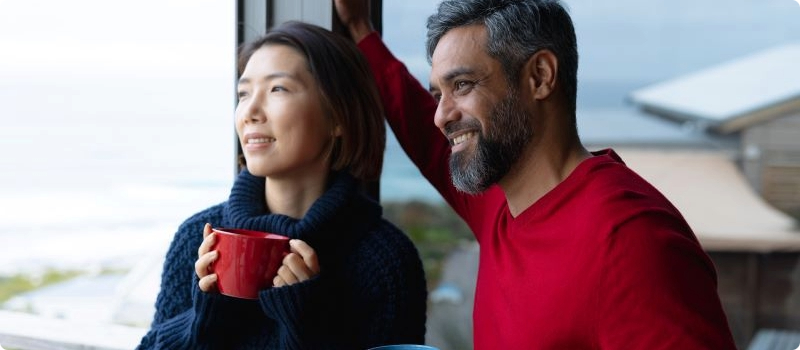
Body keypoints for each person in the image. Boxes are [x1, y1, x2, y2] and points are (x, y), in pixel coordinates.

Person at [335, 0, 737, 349]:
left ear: (540, 76)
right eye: (439, 94)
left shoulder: (631, 242)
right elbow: (421, 127)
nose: (442, 116)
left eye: (462, 84)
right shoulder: (497, 197)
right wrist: (358, 28)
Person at [136, 21, 427, 349]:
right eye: (243, 93)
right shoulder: (198, 239)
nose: (250, 112)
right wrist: (202, 321)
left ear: (338, 117)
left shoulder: (384, 260)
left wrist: (307, 329)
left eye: (277, 89)